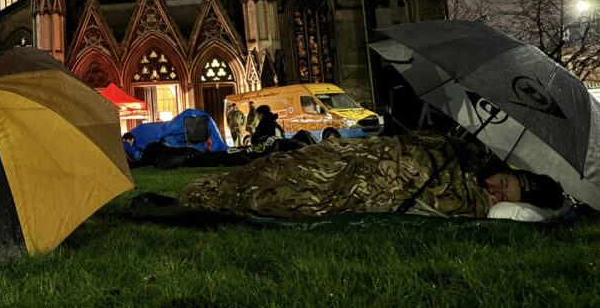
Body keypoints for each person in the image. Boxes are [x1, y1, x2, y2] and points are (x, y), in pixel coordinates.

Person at [177, 132, 497, 218]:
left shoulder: (466, 201)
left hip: (367, 180)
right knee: (296, 166)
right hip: (358, 157)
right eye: (504, 185)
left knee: (285, 191)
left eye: (505, 198)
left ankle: (223, 190)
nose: (497, 191)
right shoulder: (451, 151)